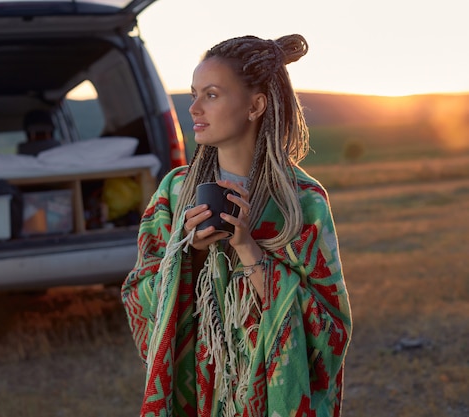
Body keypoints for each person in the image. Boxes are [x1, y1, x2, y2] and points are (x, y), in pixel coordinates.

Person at [121, 34, 352, 417]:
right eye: (194, 93)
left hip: (267, 392)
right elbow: (137, 294)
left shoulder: (303, 201)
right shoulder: (175, 193)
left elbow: (330, 329)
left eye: (211, 94)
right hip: (197, 387)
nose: (193, 107)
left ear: (255, 105)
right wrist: (188, 253)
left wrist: (249, 250)